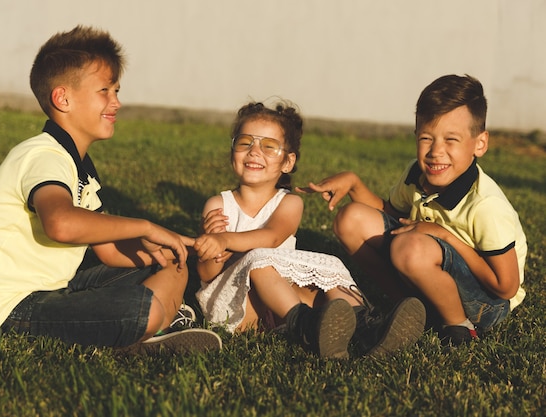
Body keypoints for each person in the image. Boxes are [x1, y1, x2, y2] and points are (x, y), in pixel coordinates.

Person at [0, 25, 221, 354]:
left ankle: (142, 327)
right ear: (63, 98)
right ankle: (143, 325)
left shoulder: (78, 164)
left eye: (117, 91)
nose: (116, 103)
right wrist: (146, 226)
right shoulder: (43, 155)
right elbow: (61, 223)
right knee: (141, 309)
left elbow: (106, 250)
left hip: (51, 289)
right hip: (1, 306)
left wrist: (178, 246)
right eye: (105, 91)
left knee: (171, 265)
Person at [299, 74, 527, 346]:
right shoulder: (417, 173)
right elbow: (394, 217)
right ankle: (407, 308)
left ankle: (459, 328)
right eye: (426, 138)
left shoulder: (486, 205)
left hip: (485, 303)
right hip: (423, 259)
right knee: (351, 219)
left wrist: (445, 235)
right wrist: (354, 184)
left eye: (451, 140)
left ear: (480, 144)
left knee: (410, 248)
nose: (436, 152)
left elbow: (506, 286)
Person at [193, 100, 425, 359]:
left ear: (287, 162)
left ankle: (368, 328)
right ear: (232, 150)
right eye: (245, 142)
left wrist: (224, 240)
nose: (254, 151)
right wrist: (210, 251)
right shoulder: (218, 205)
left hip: (281, 298)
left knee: (327, 276)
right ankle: (306, 326)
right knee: (258, 260)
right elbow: (206, 274)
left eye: (269, 146)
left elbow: (272, 237)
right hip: (238, 308)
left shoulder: (290, 203)